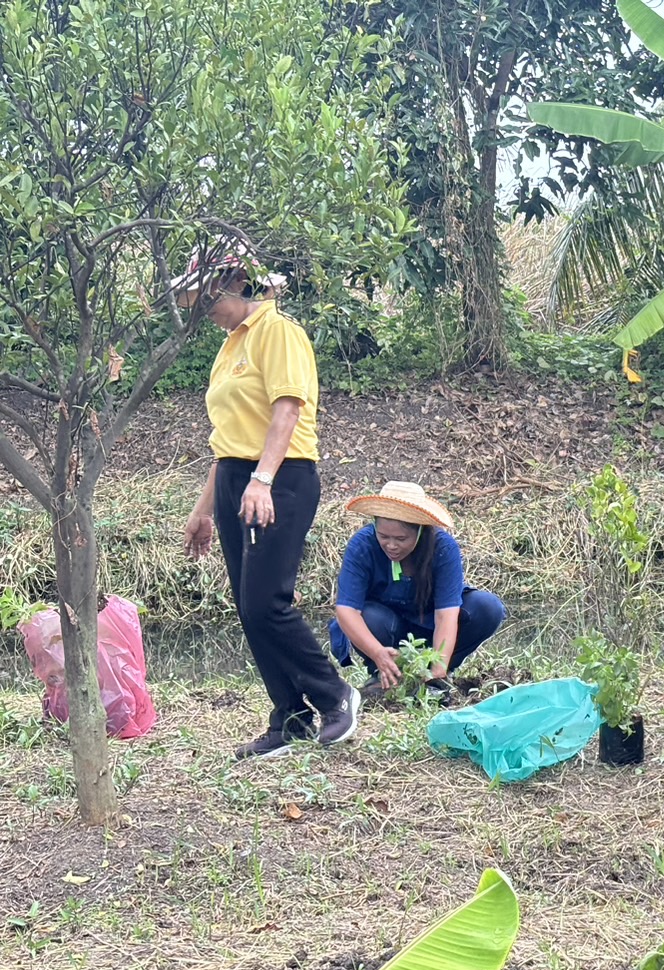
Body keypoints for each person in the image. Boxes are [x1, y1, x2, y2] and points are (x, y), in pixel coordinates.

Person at [177, 242, 362, 759]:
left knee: (267, 601)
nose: (203, 307)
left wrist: (262, 480)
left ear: (237, 282)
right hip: (237, 477)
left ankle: (334, 694)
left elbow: (287, 411)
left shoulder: (278, 331)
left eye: (208, 294)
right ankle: (290, 716)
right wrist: (203, 509)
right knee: (247, 606)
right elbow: (227, 439)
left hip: (280, 479)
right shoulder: (231, 343)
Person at [328, 481, 506, 697]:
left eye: (401, 539)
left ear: (420, 531)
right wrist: (377, 653)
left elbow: (446, 616)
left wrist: (438, 671)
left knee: (487, 607)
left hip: (430, 627)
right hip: (386, 628)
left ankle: (439, 674)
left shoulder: (443, 548)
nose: (391, 546)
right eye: (383, 537)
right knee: (367, 615)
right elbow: (346, 611)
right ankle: (383, 673)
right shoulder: (362, 545)